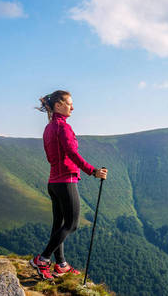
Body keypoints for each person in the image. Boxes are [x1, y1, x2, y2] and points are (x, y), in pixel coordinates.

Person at [31, 90, 107, 280]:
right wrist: (93, 171)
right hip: (66, 181)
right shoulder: (63, 127)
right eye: (69, 103)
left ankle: (61, 264)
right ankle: (42, 259)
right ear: (58, 105)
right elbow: (72, 154)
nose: (72, 107)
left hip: (53, 182)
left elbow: (51, 156)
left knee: (58, 225)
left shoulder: (49, 128)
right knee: (72, 224)